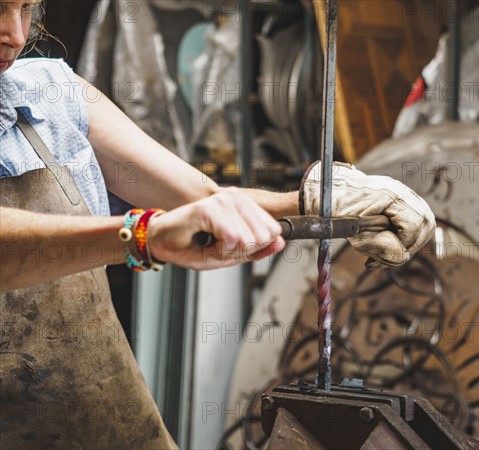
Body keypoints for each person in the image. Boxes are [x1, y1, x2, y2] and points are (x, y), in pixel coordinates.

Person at [0, 1, 435, 448]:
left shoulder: (56, 94)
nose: (14, 33)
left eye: (25, 8)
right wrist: (142, 235)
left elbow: (204, 199)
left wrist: (319, 203)